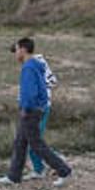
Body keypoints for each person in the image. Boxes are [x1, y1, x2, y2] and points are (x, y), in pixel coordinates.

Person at [0, 37, 72, 186]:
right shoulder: (37, 65)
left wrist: (27, 108)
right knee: (20, 143)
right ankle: (14, 176)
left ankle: (64, 170)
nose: (15, 54)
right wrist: (42, 105)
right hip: (36, 109)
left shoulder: (29, 67)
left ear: (23, 50)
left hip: (30, 111)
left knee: (37, 145)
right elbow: (44, 89)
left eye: (16, 50)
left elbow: (30, 92)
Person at [27, 52, 59, 180]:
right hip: (35, 108)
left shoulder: (36, 63)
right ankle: (40, 169)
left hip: (40, 108)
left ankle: (58, 164)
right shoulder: (32, 64)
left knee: (35, 141)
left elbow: (52, 81)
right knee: (34, 141)